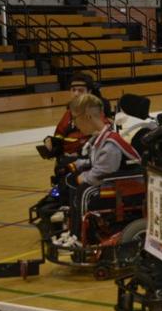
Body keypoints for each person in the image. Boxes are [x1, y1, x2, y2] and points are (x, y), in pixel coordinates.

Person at [53, 93, 140, 248]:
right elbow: (94, 161)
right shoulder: (99, 137)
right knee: (73, 183)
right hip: (111, 182)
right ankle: (74, 230)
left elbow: (102, 173)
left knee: (83, 190)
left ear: (87, 117)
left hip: (123, 186)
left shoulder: (111, 144)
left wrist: (81, 177)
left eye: (75, 119)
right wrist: (75, 165)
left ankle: (78, 236)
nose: (74, 124)